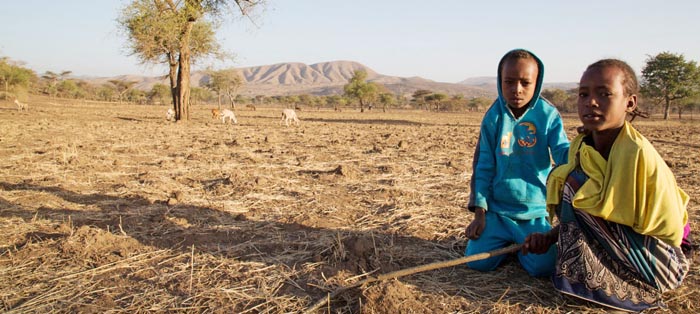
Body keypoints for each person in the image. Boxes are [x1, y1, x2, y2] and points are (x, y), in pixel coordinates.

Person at [523, 59, 690, 311]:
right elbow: (588, 214)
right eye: (584, 94)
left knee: (574, 183)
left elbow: (668, 230)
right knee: (564, 176)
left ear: (629, 102)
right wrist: (549, 237)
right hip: (627, 251)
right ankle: (581, 274)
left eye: (604, 94)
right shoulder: (582, 145)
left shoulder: (636, 154)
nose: (591, 101)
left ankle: (597, 280)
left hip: (662, 264)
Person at [465, 49, 570, 277]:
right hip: (498, 212)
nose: (517, 89)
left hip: (533, 212)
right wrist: (480, 213)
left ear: (537, 83)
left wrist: (585, 155)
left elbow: (564, 153)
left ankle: (520, 248)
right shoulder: (494, 117)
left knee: (543, 268)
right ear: (499, 81)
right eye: (509, 82)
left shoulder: (548, 115)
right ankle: (510, 245)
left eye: (525, 82)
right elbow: (483, 165)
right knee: (476, 262)